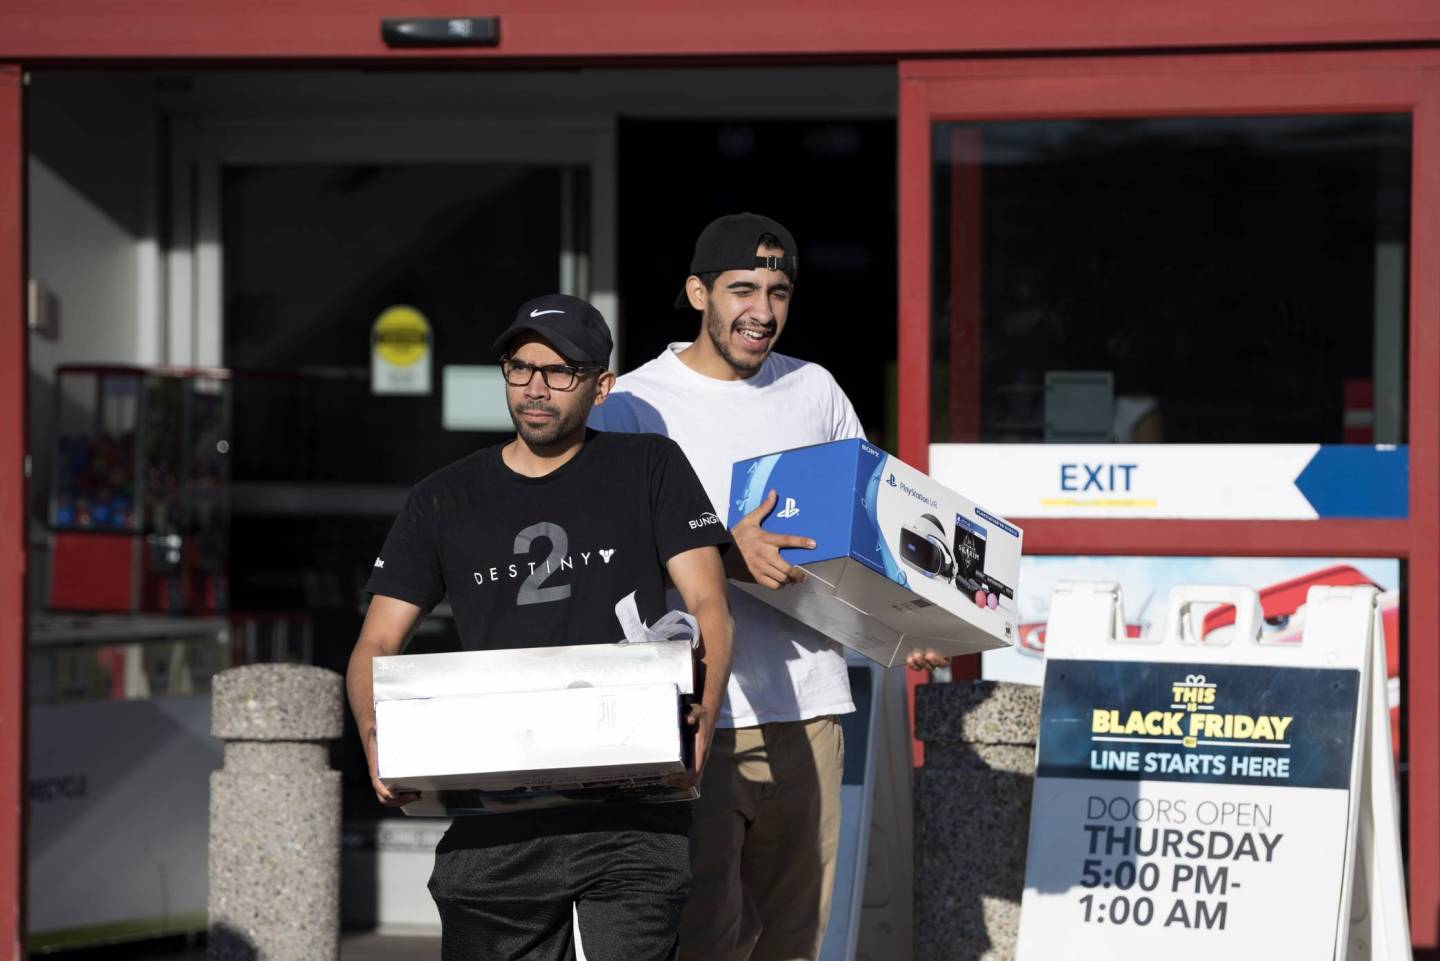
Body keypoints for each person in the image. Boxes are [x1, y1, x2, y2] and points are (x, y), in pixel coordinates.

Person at [590, 214, 940, 961]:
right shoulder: (632, 407)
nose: (763, 310)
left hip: (809, 707)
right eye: (742, 288)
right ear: (696, 292)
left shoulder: (813, 389)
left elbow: (867, 524)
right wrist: (721, 550)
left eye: (778, 291)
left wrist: (908, 623)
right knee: (702, 940)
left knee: (795, 942)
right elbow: (603, 559)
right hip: (692, 713)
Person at [347, 293, 733, 961]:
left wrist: (705, 711)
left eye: (561, 372)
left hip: (633, 805)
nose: (535, 388)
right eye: (520, 367)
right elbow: (375, 645)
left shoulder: (649, 466)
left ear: (602, 385)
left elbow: (710, 607)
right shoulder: (444, 496)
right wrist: (375, 732)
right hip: (496, 818)